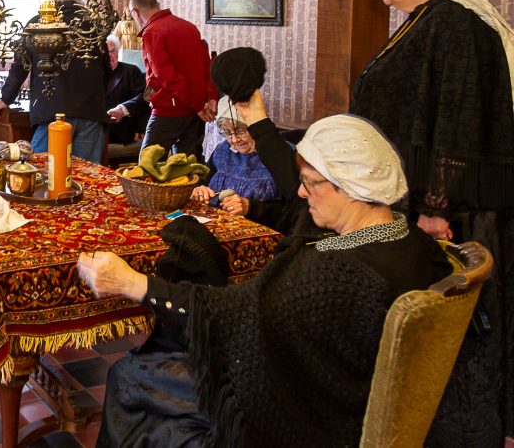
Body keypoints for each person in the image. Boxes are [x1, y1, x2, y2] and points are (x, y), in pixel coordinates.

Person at [78, 113, 451, 447]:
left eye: (310, 183)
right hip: (349, 391)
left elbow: (231, 313)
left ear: (350, 187)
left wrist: (131, 283)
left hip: (309, 410)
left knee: (130, 376)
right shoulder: (416, 243)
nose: (302, 193)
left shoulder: (334, 274)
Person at [351, 0, 514, 444]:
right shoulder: (425, 20)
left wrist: (436, 207)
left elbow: (459, 122)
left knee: (453, 322)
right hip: (417, 201)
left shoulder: (456, 28)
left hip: (447, 212)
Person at [0, 0, 110, 163]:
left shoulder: (38, 23)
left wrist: (6, 98)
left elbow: (21, 65)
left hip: (52, 112)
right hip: (90, 112)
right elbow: (107, 69)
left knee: (43, 171)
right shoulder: (94, 26)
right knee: (87, 176)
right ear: (81, 0)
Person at [129, 0, 218, 162]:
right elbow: (207, 66)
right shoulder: (189, 27)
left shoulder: (152, 32)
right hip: (195, 111)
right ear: (157, 5)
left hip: (169, 109)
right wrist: (208, 99)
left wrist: (198, 105)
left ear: (136, 12)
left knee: (148, 165)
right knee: (188, 166)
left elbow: (166, 77)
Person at [189, 97, 281, 225]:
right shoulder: (223, 150)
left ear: (256, 125)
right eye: (227, 133)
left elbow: (291, 211)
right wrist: (199, 189)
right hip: (215, 224)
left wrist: (251, 207)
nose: (235, 139)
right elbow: (204, 179)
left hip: (258, 231)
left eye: (241, 131)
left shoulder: (281, 155)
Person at [104, 35, 149, 148]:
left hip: (119, 130)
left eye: (112, 51)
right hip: (95, 128)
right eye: (105, 52)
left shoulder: (131, 71)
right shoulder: (94, 74)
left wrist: (122, 109)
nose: (109, 56)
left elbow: (144, 97)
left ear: (118, 51)